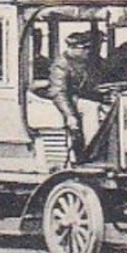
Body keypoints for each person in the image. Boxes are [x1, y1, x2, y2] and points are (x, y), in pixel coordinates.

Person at [46, 30, 103, 159]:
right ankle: (91, 151)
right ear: (72, 48)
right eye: (85, 48)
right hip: (72, 101)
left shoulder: (90, 62)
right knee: (90, 108)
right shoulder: (61, 64)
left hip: (86, 98)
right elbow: (58, 92)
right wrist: (69, 115)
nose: (88, 51)